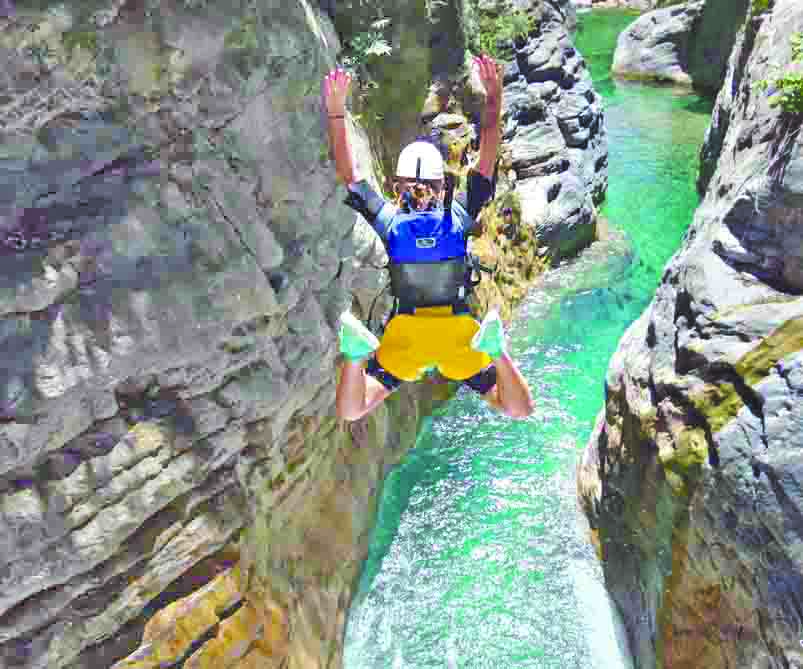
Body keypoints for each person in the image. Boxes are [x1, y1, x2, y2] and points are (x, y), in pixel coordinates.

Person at [323, 54, 534, 422]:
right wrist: (494, 96)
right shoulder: (456, 218)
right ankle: (497, 351)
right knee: (518, 409)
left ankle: (356, 355)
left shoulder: (392, 224)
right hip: (459, 332)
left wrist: (336, 113)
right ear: (442, 185)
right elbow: (487, 156)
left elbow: (350, 175)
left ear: (396, 186)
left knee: (352, 410)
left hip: (406, 334)